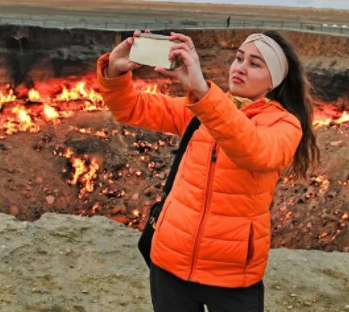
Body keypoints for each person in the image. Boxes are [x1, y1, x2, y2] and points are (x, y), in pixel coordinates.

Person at [96, 29, 320, 312]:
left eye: (255, 63)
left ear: (273, 81)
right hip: (169, 263)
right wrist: (115, 73)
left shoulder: (284, 125)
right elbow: (132, 108)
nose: (240, 68)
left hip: (232, 275)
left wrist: (202, 91)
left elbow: (254, 150)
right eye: (239, 58)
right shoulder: (201, 108)